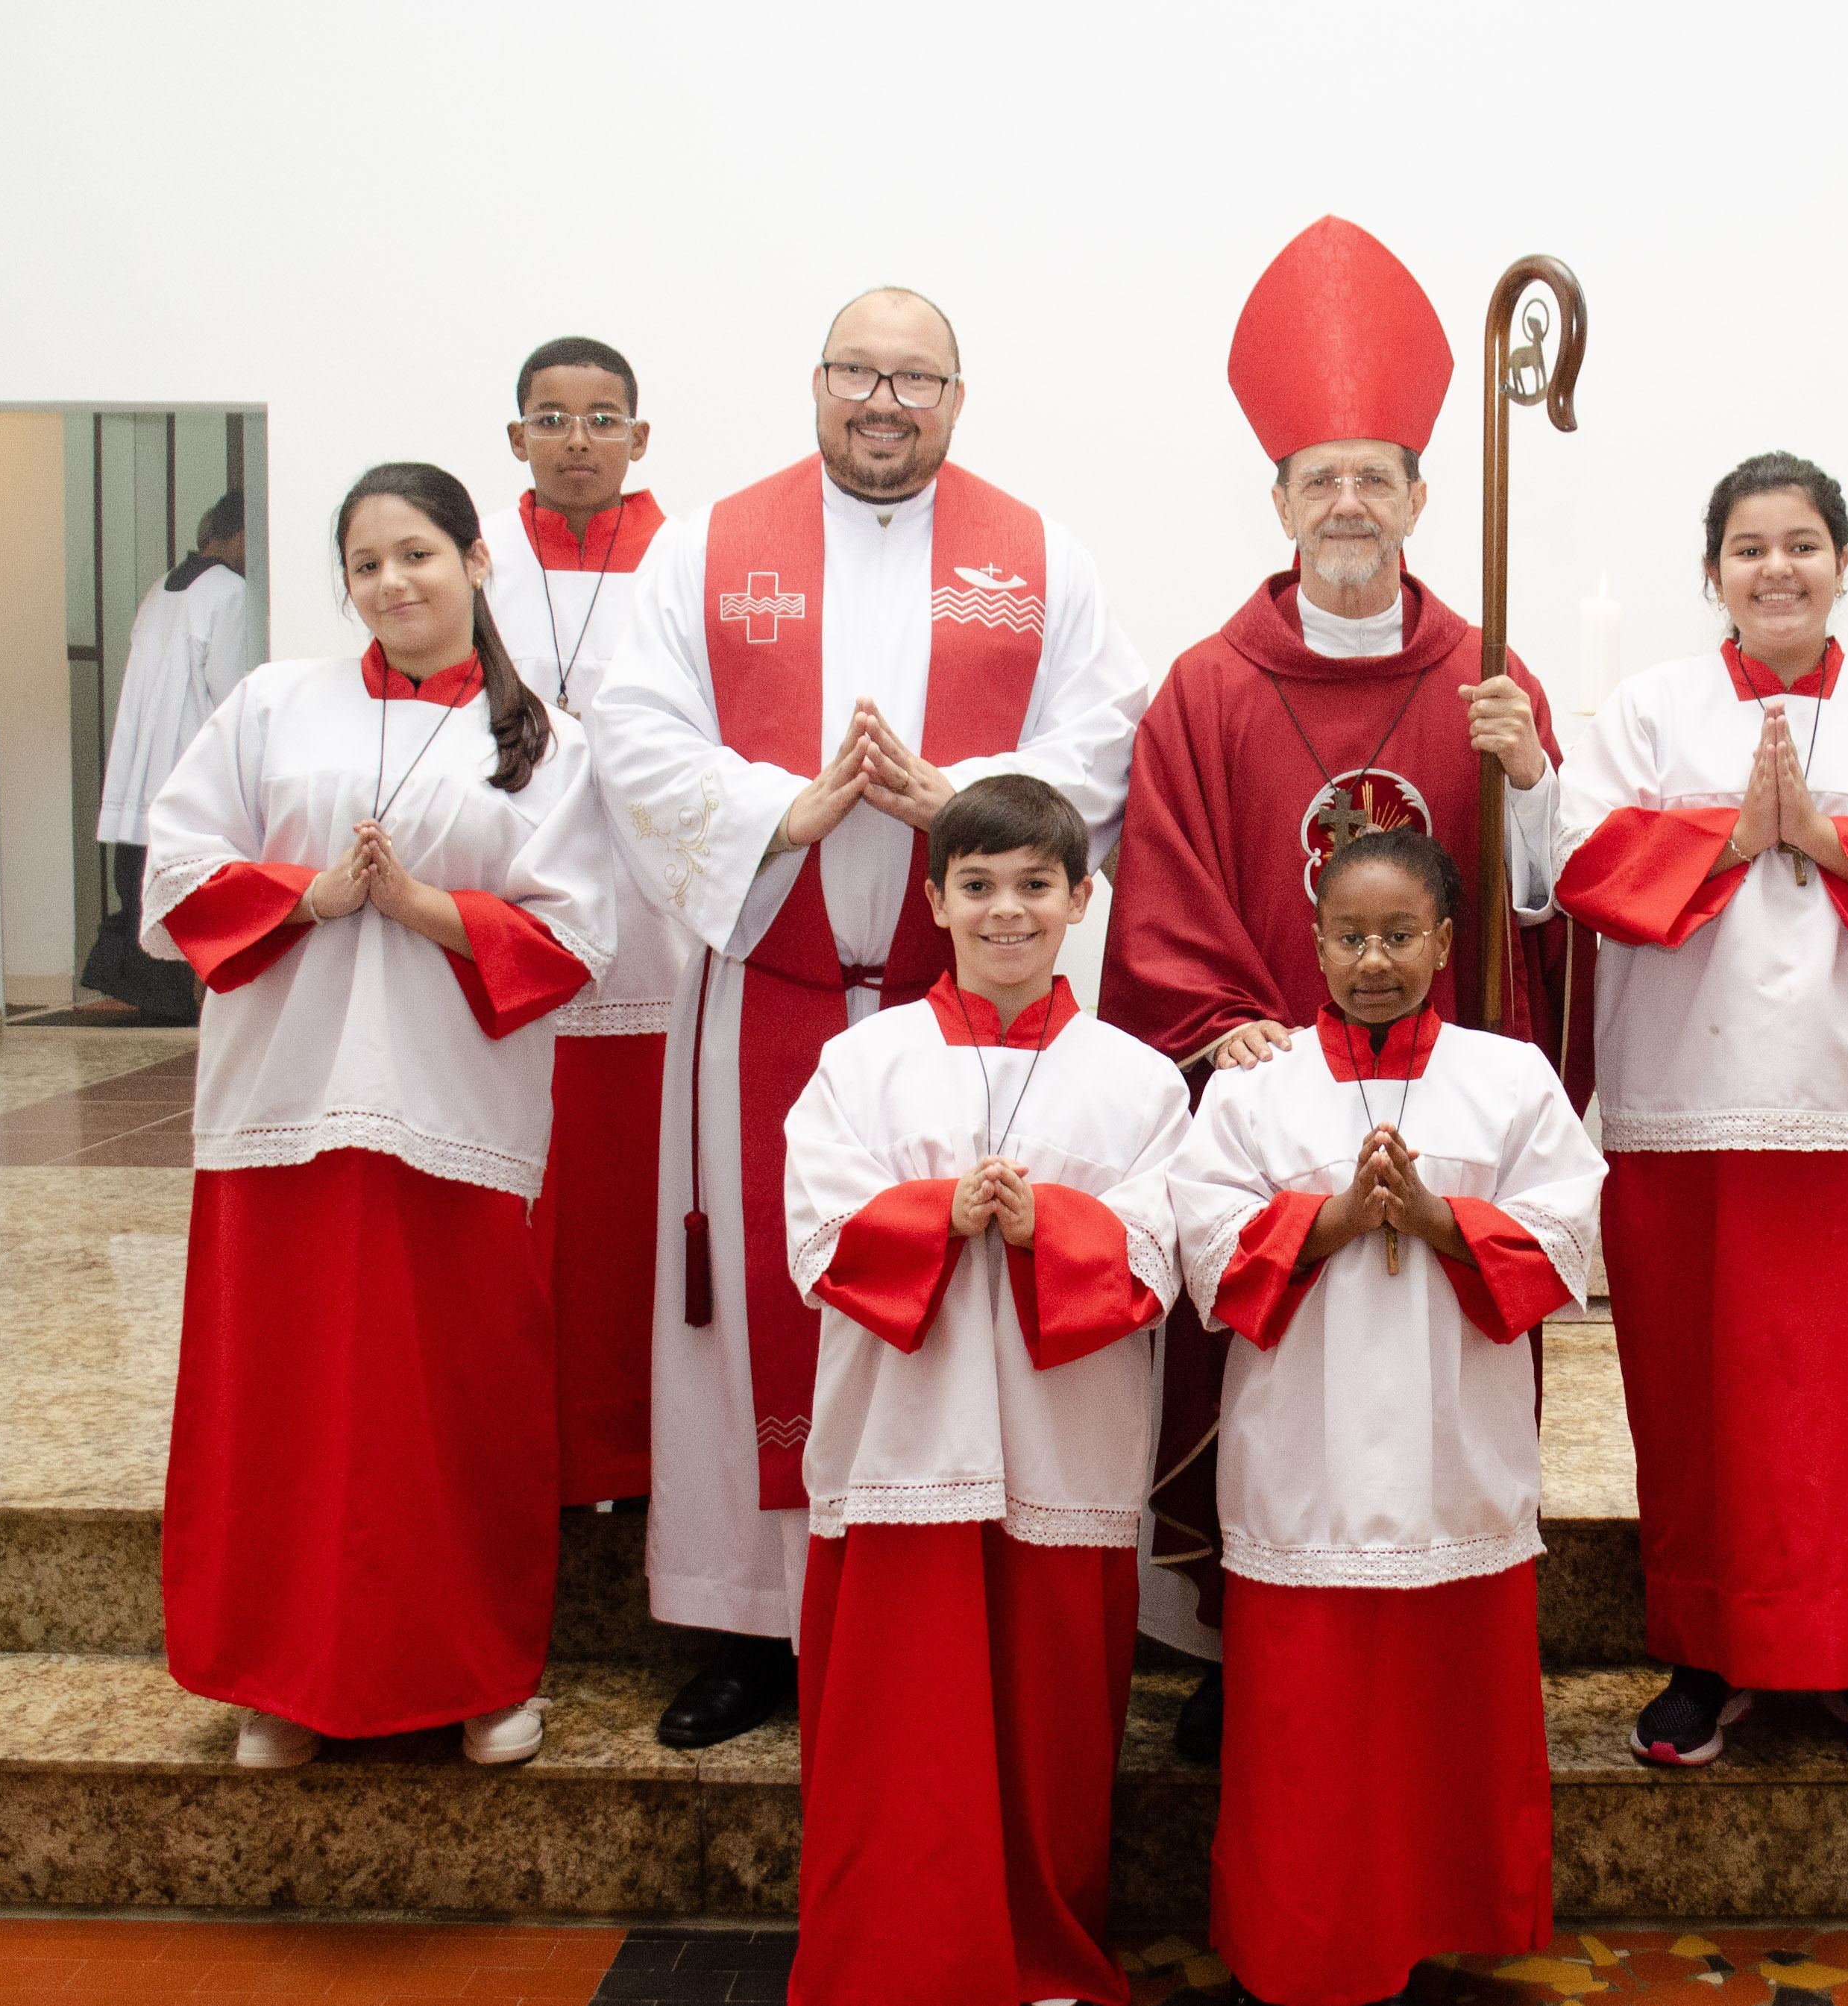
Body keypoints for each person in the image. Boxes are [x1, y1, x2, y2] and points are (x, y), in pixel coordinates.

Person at [592, 287, 1151, 1750]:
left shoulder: (1041, 558)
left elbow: (1101, 738)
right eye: (858, 372)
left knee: (952, 1316)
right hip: (767, 997)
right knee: (754, 1320)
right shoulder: (709, 548)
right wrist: (785, 807)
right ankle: (748, 1625)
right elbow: (633, 726)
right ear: (817, 382)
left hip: (952, 1009)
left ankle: (939, 1600)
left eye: (915, 378)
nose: (883, 401)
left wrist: (951, 799)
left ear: (958, 398)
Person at [1099, 215, 1578, 1754]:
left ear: (1423, 497)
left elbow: (1535, 914)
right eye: (1323, 478)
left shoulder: (1488, 676)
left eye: (1378, 474)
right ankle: (1253, 1645)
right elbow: (1165, 888)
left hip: (1449, 1108)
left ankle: (1450, 1635)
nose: (1351, 501)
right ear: (1282, 500)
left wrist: (1534, 786)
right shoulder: (1207, 686)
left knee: (1439, 1394)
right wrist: (1221, 1024)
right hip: (1279, 1114)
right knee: (1280, 1400)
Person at [141, 462, 613, 1770]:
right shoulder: (271, 705)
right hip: (281, 1112)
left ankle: (478, 1673)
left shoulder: (546, 745)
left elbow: (582, 933)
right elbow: (177, 870)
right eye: (365, 564)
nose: (392, 583)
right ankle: (280, 1682)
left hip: (450, 1115)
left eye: (417, 554)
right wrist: (308, 896)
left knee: (452, 1408)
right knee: (281, 1410)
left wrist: (419, 909)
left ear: (476, 560)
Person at [1554, 452, 1848, 1770]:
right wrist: (1733, 837)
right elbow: (1584, 863)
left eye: (1801, 544)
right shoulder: (1645, 709)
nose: (1777, 570)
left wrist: (1826, 837)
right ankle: (1702, 1655)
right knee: (1693, 1399)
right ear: (1711, 574)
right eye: (1748, 548)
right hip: (1687, 1107)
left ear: (1843, 562)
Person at [1169, 826, 1601, 2006]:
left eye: (1399, 934)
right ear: (1311, 943)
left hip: (1448, 1457)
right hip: (1304, 1461)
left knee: (1438, 1735)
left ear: (1448, 943)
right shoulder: (1257, 1087)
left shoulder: (1507, 1077)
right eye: (1350, 935)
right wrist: (1335, 1221)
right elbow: (1203, 1246)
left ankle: (1442, 1922)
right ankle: (1303, 1937)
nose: (1373, 959)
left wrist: (1439, 1216)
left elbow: (1568, 1234)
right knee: (1310, 1737)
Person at [780, 775, 1185, 2006]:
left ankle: (1048, 1950)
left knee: (1049, 1732)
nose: (1005, 911)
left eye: (1033, 886)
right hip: (901, 1453)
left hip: (1064, 1455)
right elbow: (815, 1238)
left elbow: (1164, 1251)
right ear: (934, 901)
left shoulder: (1138, 1080)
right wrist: (940, 1216)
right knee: (897, 1735)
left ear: (1082, 899)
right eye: (977, 887)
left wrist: (1045, 1227)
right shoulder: (861, 1062)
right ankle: (890, 1956)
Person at [481, 335, 693, 1511]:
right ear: (517, 436)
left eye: (601, 418)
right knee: (528, 1194)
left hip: (655, 913)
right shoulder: (470, 556)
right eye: (552, 420)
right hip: (518, 892)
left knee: (631, 1203)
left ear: (638, 436)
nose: (578, 441)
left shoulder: (686, 558)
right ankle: (529, 1444)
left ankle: (633, 1451)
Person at [83, 490, 252, 1023]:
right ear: (239, 536)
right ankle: (183, 992)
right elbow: (232, 688)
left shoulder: (162, 587)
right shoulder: (231, 592)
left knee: (139, 873)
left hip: (144, 757)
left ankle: (149, 987)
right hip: (189, 756)